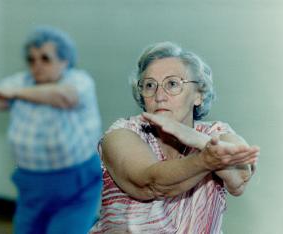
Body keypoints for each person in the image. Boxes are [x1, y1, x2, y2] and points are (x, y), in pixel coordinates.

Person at [89, 42, 259, 234]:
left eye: (172, 84)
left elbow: (239, 180)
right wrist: (206, 160)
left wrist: (200, 141)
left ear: (199, 95)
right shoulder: (121, 134)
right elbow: (150, 184)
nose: (159, 96)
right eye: (150, 85)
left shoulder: (216, 133)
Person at [0, 26, 102, 234]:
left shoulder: (79, 80)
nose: (37, 65)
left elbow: (65, 97)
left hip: (76, 185)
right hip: (32, 185)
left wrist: (13, 92)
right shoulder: (21, 81)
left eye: (45, 59)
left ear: (65, 61)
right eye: (31, 59)